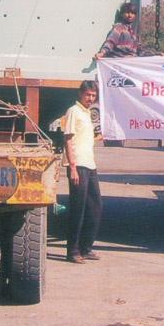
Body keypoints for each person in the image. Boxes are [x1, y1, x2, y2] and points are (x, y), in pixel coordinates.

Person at [63, 80, 103, 264]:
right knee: (77, 210)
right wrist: (72, 167)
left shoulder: (87, 113)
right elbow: (68, 139)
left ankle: (86, 247)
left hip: (90, 165)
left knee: (95, 208)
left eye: (93, 96)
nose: (90, 98)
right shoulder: (74, 111)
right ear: (80, 94)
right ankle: (72, 251)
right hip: (78, 165)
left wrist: (99, 138)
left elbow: (84, 139)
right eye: (88, 95)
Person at [93, 2, 164, 59]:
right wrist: (102, 53)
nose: (130, 15)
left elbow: (140, 51)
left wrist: (156, 54)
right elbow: (111, 42)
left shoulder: (132, 34)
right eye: (127, 13)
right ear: (122, 14)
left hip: (131, 64)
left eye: (132, 13)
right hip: (120, 63)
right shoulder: (119, 28)